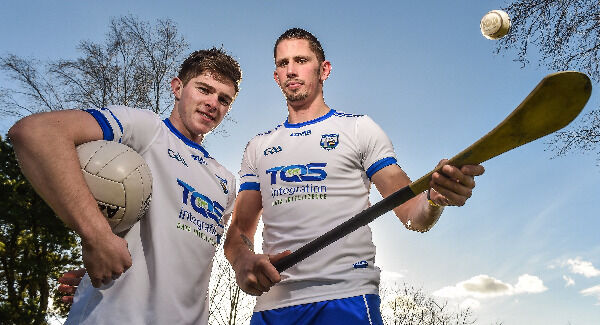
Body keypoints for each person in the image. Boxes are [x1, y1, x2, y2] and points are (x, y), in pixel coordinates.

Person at [223, 28, 485, 325]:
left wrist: (434, 199)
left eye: (301, 60)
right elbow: (238, 233)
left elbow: (411, 211)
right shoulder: (259, 147)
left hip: (346, 298)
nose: (291, 70)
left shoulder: (359, 130)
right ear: (276, 76)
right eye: (283, 64)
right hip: (272, 306)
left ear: (324, 69)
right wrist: (243, 260)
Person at [8, 48, 242, 324]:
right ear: (177, 88)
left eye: (223, 99)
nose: (213, 103)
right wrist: (96, 236)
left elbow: (179, 255)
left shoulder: (225, 181)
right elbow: (37, 132)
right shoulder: (149, 129)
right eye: (204, 89)